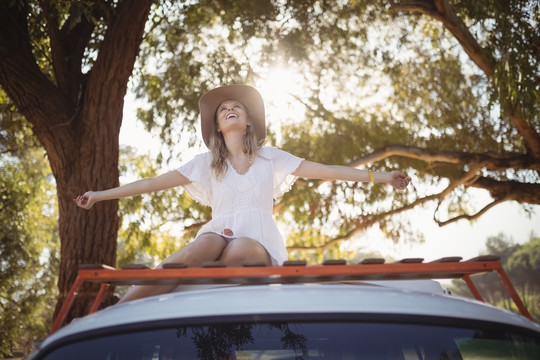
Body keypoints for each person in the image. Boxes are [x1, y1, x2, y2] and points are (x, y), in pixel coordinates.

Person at [74, 84, 411, 303]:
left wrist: (381, 176)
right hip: (216, 236)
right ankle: (119, 308)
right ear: (218, 127)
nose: (229, 109)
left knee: (240, 248)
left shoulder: (271, 157)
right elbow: (149, 183)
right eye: (223, 110)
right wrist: (99, 195)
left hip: (256, 244)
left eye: (237, 107)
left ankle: (198, 273)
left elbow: (330, 171)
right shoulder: (204, 164)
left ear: (248, 121)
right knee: (206, 242)